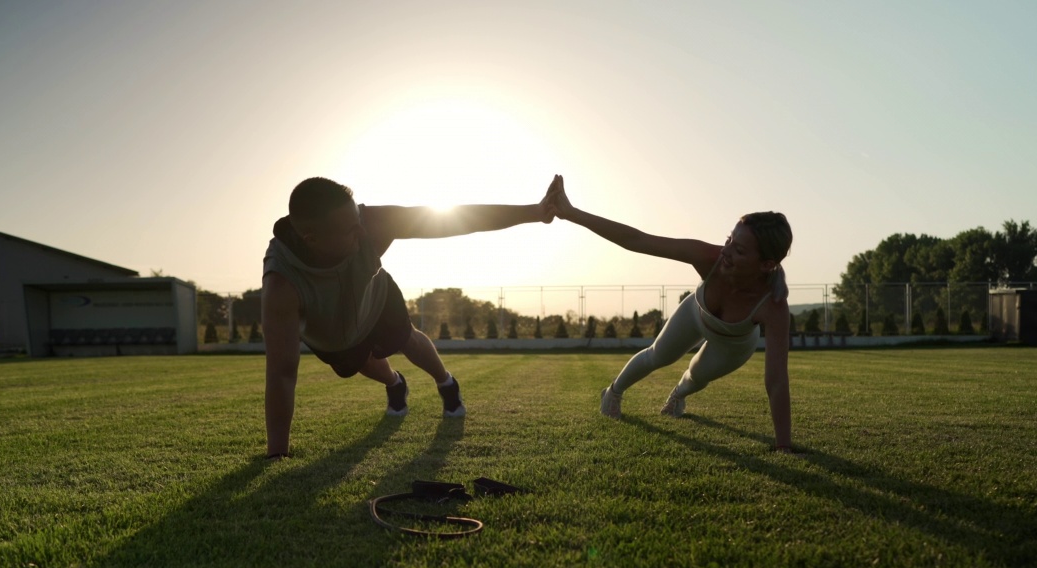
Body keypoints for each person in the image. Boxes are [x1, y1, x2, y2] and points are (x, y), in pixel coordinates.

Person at [262, 176, 558, 459]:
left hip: (376, 297)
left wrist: (535, 211)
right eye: (351, 230)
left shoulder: (371, 224)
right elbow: (282, 373)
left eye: (358, 221)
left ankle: (446, 383)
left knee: (407, 339)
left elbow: (456, 220)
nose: (363, 234)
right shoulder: (281, 284)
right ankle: (395, 383)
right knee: (361, 362)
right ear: (311, 238)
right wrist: (277, 454)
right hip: (333, 331)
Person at [548, 175, 795, 452]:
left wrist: (783, 445)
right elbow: (636, 240)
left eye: (738, 250)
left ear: (766, 264)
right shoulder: (707, 257)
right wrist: (570, 213)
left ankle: (678, 396)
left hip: (734, 343)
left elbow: (776, 380)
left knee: (697, 377)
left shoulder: (773, 306)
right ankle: (613, 393)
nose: (726, 251)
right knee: (658, 355)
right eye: (729, 240)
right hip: (695, 312)